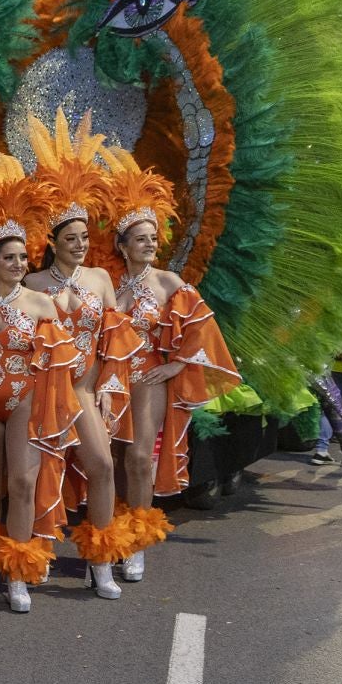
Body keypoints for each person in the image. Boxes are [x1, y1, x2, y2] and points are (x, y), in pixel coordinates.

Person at [103, 145, 241, 581]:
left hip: (147, 375)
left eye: (153, 237)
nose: (149, 243)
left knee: (141, 457)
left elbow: (201, 329)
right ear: (121, 244)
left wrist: (177, 366)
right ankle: (113, 533)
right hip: (109, 379)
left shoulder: (170, 283)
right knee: (111, 458)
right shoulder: (105, 282)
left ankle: (138, 540)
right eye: (140, 238)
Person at [24, 114, 141, 600]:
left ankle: (99, 560)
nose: (79, 244)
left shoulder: (100, 280)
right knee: (32, 477)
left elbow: (114, 344)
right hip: (42, 396)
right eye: (70, 238)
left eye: (85, 238)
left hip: (85, 391)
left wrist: (111, 393)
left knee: (103, 466)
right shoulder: (32, 284)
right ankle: (29, 558)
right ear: (52, 242)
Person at [0, 153, 82, 613]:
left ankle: (18, 567)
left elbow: (61, 363)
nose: (18, 263)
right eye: (8, 258)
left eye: (22, 257)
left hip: (26, 401)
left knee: (24, 481)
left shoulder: (41, 305)